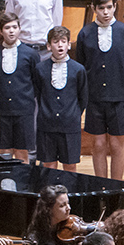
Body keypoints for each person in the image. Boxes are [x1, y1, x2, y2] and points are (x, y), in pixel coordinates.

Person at [75, 0, 124, 180]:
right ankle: (101, 185)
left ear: (115, 6)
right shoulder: (85, 33)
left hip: (118, 97)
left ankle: (116, 186)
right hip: (94, 98)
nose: (106, 12)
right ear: (94, 8)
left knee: (118, 145)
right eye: (101, 8)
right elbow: (82, 67)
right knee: (99, 144)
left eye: (109, 7)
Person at [35, 26, 87, 171]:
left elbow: (83, 97)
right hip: (47, 125)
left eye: (63, 41)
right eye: (56, 41)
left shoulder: (78, 69)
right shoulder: (40, 69)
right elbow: (39, 93)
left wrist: (73, 114)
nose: (60, 45)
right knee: (49, 165)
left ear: (69, 45)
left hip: (70, 125)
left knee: (70, 165)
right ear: (48, 45)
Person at [0, 11, 41, 161]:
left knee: (22, 152)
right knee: (4, 152)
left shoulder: (30, 54)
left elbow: (36, 82)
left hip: (23, 109)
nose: (11, 31)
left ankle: (23, 183)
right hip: (2, 109)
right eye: (7, 28)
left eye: (14, 27)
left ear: (19, 29)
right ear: (0, 31)